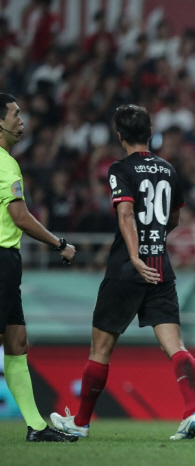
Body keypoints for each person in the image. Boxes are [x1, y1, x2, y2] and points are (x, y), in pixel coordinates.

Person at [50, 105, 195, 440]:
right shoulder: (168, 169)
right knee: (175, 346)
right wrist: (153, 244)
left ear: (120, 136)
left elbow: (126, 215)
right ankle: (191, 412)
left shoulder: (120, 168)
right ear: (149, 133)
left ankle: (80, 424)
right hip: (161, 267)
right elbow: (174, 219)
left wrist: (134, 256)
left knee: (101, 350)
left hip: (126, 268)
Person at [0, 93, 78, 442]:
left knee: (17, 341)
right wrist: (59, 243)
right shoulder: (5, 164)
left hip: (8, 260)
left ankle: (34, 426)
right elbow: (20, 217)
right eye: (15, 114)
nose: (21, 120)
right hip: (1, 257)